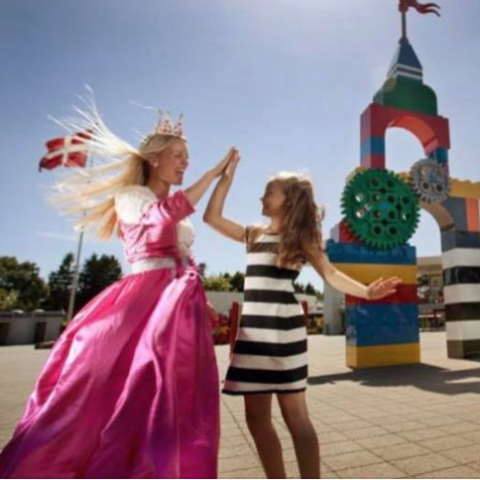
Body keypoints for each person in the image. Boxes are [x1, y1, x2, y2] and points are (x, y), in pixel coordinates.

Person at [0, 94, 235, 479]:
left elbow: (185, 256)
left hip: (180, 306)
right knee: (116, 390)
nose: (185, 162)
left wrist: (204, 302)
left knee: (176, 399)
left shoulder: (175, 206)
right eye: (177, 155)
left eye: (187, 157)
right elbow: (161, 218)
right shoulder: (131, 198)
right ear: (154, 159)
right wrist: (210, 177)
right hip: (142, 303)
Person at [203, 153, 401, 479]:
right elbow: (211, 217)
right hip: (252, 336)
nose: (262, 197)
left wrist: (366, 292)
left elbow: (331, 274)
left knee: (294, 416)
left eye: (269, 192)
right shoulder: (254, 234)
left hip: (284, 334)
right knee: (255, 418)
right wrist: (226, 179)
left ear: (289, 201)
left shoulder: (301, 240)